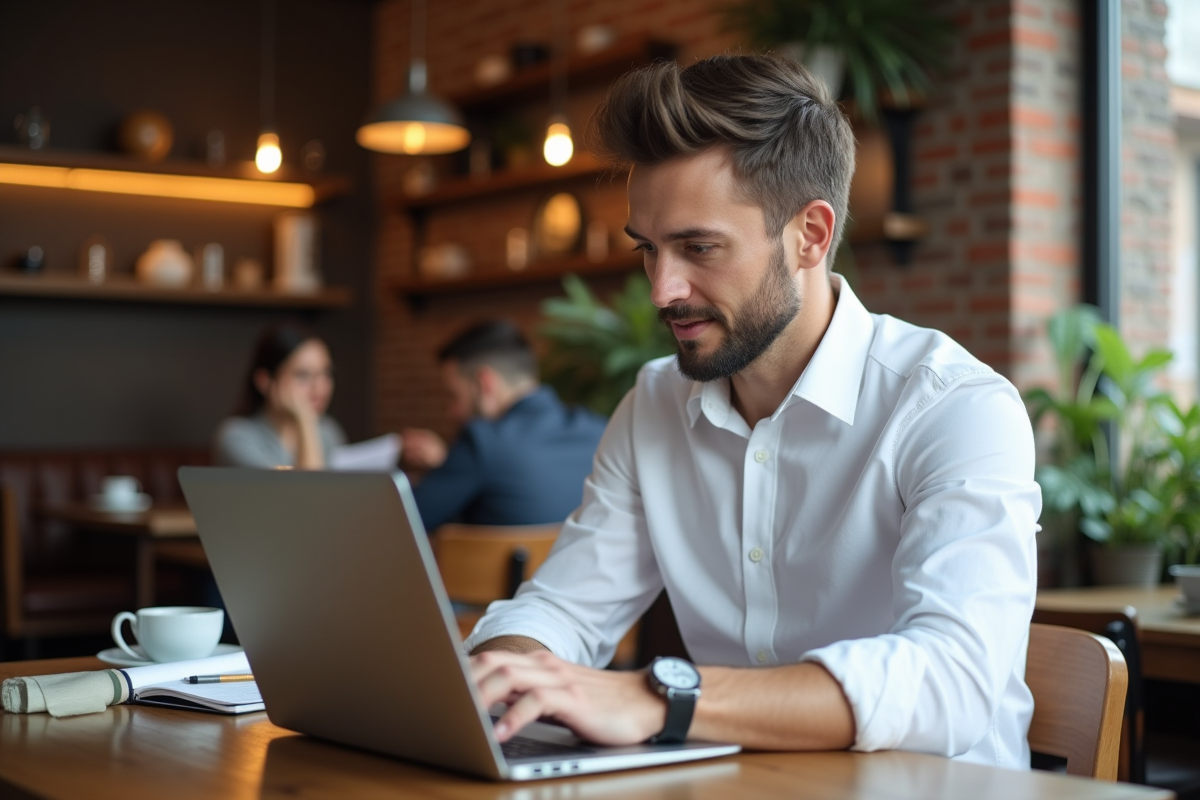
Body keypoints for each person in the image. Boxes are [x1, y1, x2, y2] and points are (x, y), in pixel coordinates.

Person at [464, 55, 1041, 767]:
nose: (662, 289)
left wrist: (661, 699)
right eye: (649, 250)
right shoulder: (653, 406)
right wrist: (507, 671)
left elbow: (951, 680)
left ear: (811, 235)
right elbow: (562, 608)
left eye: (698, 247)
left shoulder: (954, 407)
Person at [402, 321, 607, 532]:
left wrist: (446, 470)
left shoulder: (481, 442)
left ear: (485, 383)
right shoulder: (599, 430)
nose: (453, 411)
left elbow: (403, 524)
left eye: (455, 395)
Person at [213, 323, 345, 469]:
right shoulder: (237, 437)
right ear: (264, 381)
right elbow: (306, 484)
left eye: (326, 373)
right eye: (303, 375)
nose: (319, 388)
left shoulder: (328, 432)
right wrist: (305, 421)